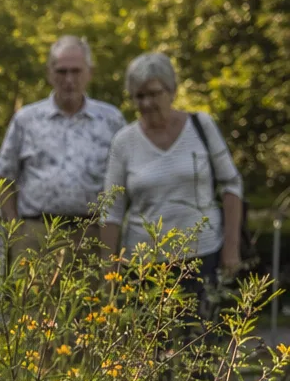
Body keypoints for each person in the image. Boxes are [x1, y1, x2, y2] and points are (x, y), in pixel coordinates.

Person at [100, 51, 244, 319]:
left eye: (154, 93)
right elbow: (111, 212)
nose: (146, 103)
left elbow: (231, 185)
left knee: (200, 347)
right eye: (139, 96)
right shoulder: (124, 142)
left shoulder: (201, 126)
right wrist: (108, 275)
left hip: (203, 257)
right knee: (149, 353)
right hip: (145, 267)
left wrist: (231, 248)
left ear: (172, 91)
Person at [0, 35, 126, 260]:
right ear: (49, 73)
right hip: (36, 234)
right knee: (32, 297)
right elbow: (3, 177)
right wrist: (15, 229)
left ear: (89, 73)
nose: (69, 79)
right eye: (62, 72)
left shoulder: (111, 120)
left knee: (91, 296)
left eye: (76, 71)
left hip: (91, 234)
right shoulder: (26, 120)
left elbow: (125, 178)